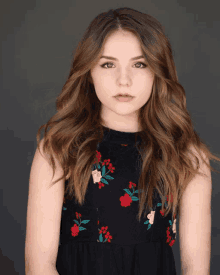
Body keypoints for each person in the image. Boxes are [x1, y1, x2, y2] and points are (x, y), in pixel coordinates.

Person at [25, 7, 220, 275]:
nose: (123, 80)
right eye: (108, 64)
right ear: (89, 71)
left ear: (157, 71)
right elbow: (39, 266)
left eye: (140, 64)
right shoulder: (58, 149)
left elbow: (195, 268)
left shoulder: (186, 155)